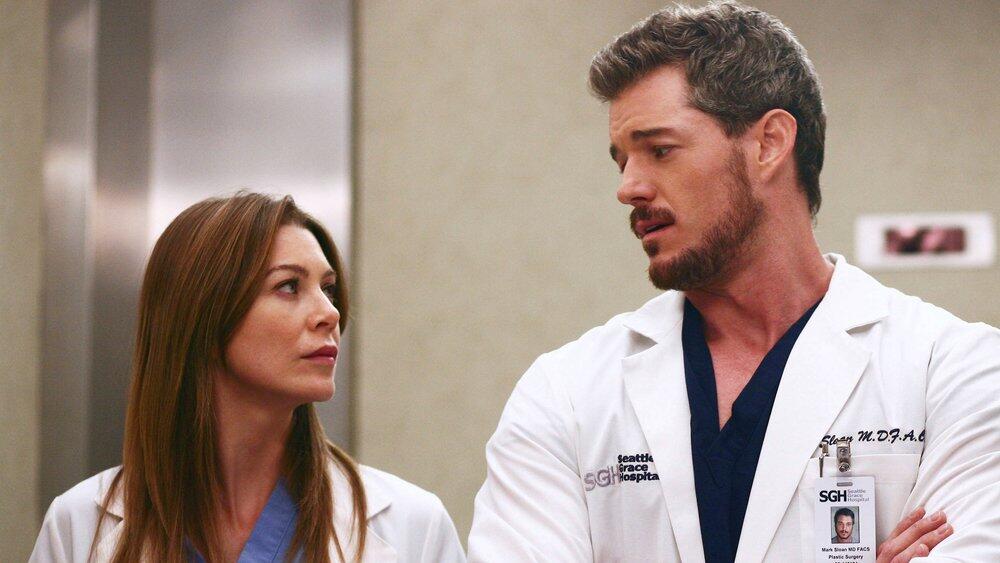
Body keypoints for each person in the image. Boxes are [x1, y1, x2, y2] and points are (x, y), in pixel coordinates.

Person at [468, 3, 999, 562]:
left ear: (769, 143)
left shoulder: (955, 374)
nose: (628, 188)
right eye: (621, 161)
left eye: (659, 150)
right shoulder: (566, 395)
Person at [31, 193, 466, 562]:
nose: (330, 314)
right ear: (203, 315)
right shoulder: (77, 527)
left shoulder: (413, 528)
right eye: (289, 286)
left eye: (328, 289)